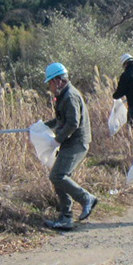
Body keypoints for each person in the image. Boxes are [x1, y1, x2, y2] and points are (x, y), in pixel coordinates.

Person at [42, 62, 99, 231]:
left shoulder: (70, 96)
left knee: (57, 176)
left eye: (50, 82)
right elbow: (62, 120)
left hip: (77, 143)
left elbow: (73, 123)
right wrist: (42, 126)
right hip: (70, 143)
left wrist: (58, 139)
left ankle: (85, 198)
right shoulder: (64, 95)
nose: (50, 87)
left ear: (59, 80)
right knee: (59, 177)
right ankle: (66, 218)